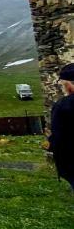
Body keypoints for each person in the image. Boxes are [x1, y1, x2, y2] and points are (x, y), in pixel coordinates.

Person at [48, 63, 74, 191]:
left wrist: (51, 145)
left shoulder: (63, 106)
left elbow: (58, 135)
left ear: (69, 85)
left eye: (63, 84)